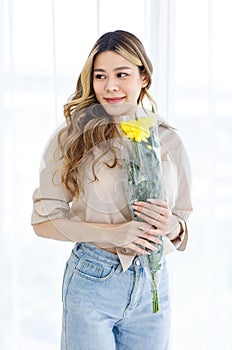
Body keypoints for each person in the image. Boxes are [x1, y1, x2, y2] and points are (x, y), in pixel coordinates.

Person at [31, 30, 192, 350]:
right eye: (100, 76)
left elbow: (182, 220)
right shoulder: (70, 137)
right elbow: (43, 221)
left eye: (122, 74)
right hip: (93, 281)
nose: (110, 86)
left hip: (153, 286)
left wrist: (169, 224)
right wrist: (112, 233)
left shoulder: (167, 138)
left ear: (143, 77)